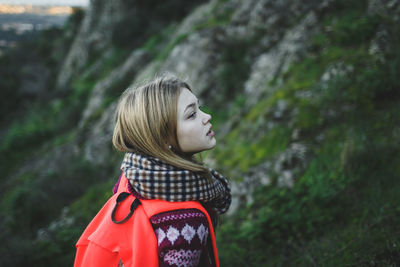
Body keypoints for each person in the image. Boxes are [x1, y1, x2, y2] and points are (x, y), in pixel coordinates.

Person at [74, 75, 231, 267]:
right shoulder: (186, 222)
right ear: (162, 139)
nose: (207, 117)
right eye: (191, 114)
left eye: (199, 108)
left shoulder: (133, 177)